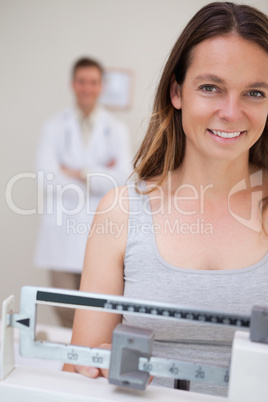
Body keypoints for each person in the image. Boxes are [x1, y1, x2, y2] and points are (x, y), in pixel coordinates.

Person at [63, 2, 268, 397]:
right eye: (211, 87)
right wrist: (95, 366)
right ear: (177, 91)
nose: (231, 111)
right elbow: (78, 367)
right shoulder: (121, 211)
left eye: (255, 92)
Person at [34, 57, 132, 327]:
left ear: (101, 86)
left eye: (93, 82)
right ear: (72, 84)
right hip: (62, 231)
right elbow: (46, 177)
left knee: (98, 307)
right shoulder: (52, 127)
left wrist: (80, 172)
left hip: (100, 229)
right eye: (81, 82)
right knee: (63, 307)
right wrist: (101, 172)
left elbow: (122, 179)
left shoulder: (117, 130)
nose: (87, 88)